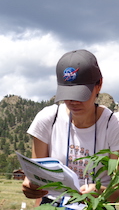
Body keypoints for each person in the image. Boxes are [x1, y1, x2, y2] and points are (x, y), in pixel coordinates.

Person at [22, 49, 119, 207]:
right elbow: (38, 181)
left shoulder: (113, 125)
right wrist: (31, 187)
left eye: (81, 94)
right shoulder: (48, 119)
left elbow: (118, 187)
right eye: (67, 94)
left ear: (99, 84)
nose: (73, 101)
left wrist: (100, 192)